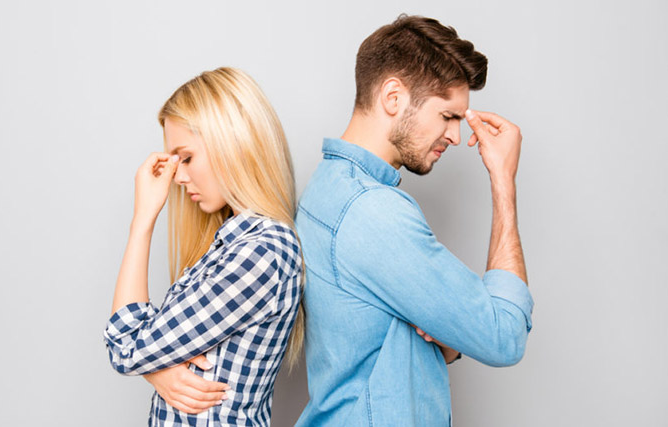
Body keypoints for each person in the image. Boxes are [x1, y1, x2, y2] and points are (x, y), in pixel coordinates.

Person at [294, 15, 534, 426]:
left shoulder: (328, 185)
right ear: (393, 97)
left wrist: (450, 337)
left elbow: (374, 335)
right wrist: (503, 180)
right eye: (448, 116)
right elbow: (504, 336)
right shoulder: (373, 212)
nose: (455, 136)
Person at [103, 67, 304, 426]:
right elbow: (139, 344)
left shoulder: (261, 254)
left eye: (187, 158)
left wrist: (142, 221)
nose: (178, 178)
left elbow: (127, 345)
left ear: (233, 143)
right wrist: (156, 367)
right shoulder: (230, 245)